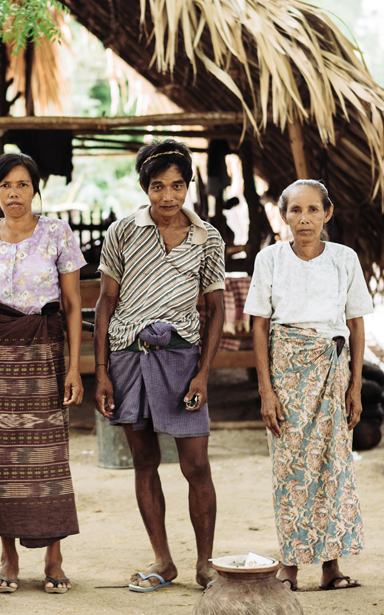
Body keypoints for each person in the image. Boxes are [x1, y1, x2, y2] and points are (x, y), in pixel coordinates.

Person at [93, 139, 225, 592]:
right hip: (129, 357)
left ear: (188, 186)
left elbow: (215, 309)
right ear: (144, 187)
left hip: (182, 357)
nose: (168, 197)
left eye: (177, 185)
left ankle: (205, 564)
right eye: (157, 186)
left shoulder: (208, 238)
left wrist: (204, 373)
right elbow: (106, 302)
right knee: (144, 460)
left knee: (196, 465)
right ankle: (163, 561)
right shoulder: (123, 232)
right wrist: (103, 371)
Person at [0, 152, 85, 594]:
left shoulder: (57, 234)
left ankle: (54, 557)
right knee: (1, 462)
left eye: (23, 185)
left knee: (48, 458)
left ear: (35, 190)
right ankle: (8, 556)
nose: (15, 194)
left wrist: (73, 367)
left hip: (45, 356)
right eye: (6, 186)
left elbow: (72, 306)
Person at [244, 179, 372, 592]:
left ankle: (331, 567)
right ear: (284, 216)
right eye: (295, 211)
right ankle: (289, 567)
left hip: (334, 370)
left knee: (333, 468)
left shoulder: (344, 259)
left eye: (313, 210)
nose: (304, 219)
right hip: (287, 371)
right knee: (291, 470)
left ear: (327, 213)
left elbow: (355, 324)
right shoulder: (270, 260)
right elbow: (259, 326)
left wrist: (355, 387)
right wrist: (266, 390)